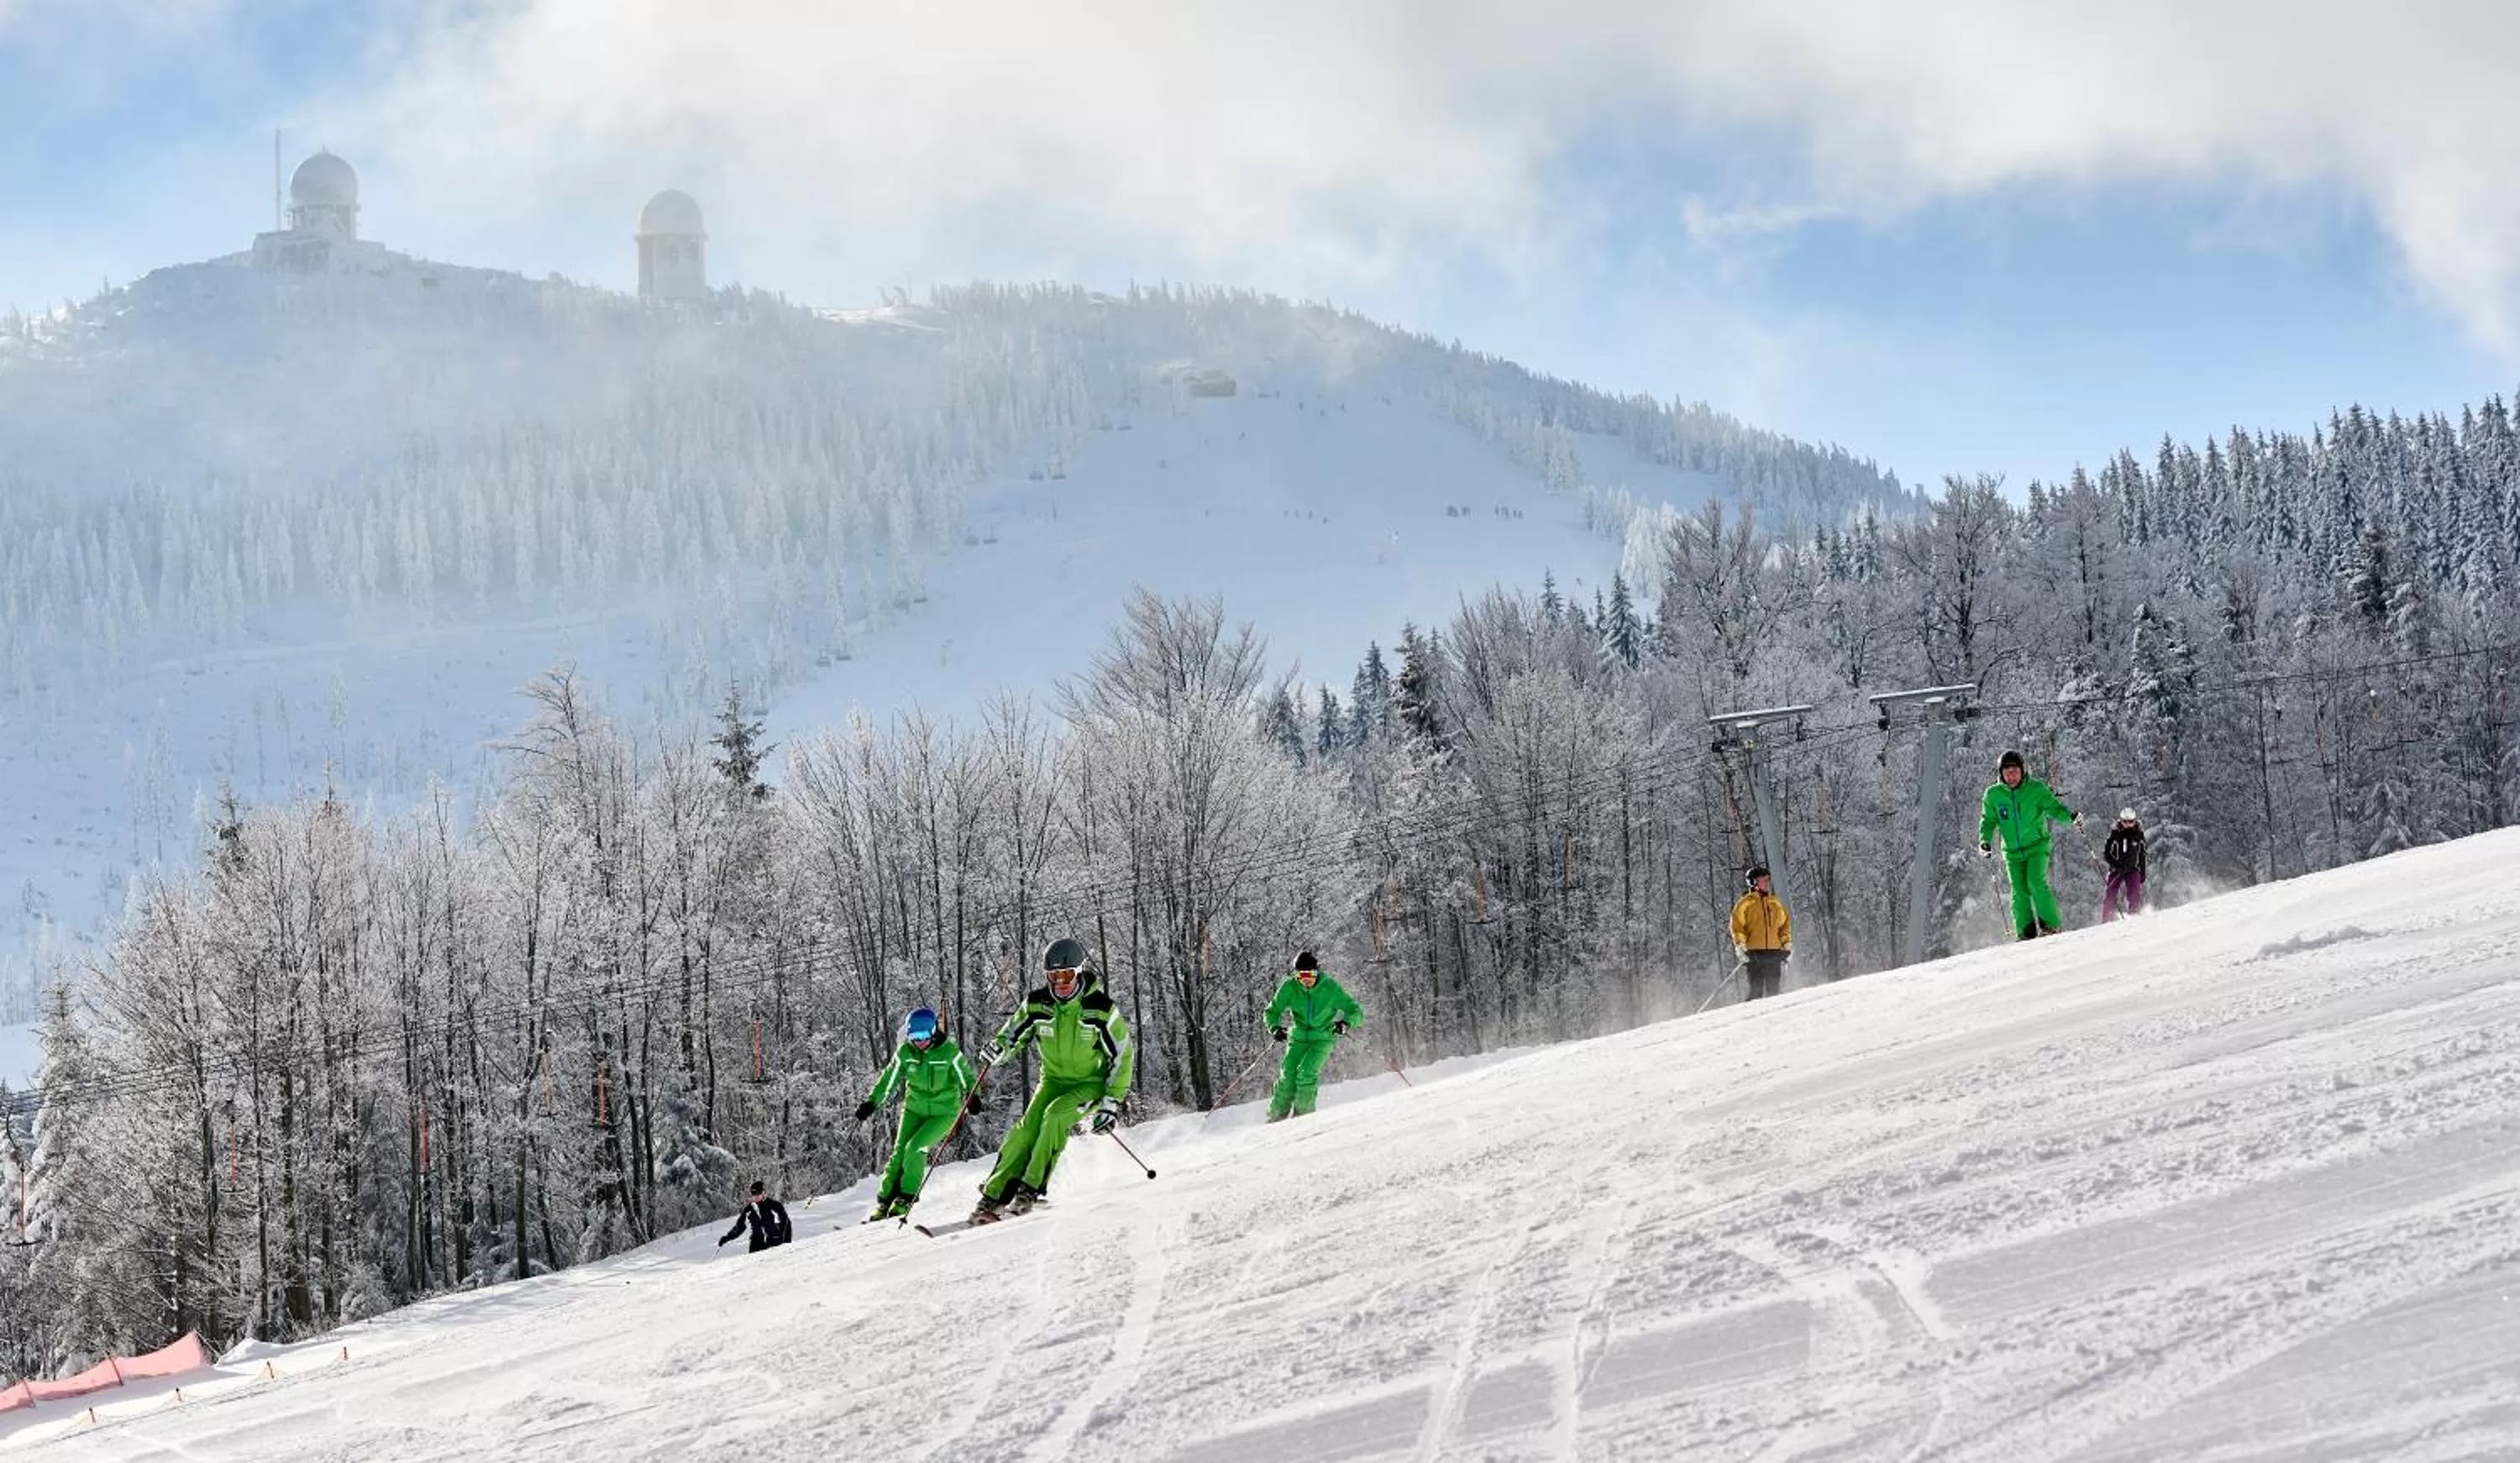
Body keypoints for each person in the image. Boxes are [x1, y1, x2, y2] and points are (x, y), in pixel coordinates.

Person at [968, 937, 1135, 1224]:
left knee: (1055, 1117)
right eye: (1054, 976)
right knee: (1025, 1131)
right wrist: (998, 1049)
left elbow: (1123, 1055)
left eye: (1066, 975)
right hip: (1053, 1081)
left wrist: (1111, 1103)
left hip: (1090, 1083)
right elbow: (1012, 1035)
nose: (1061, 983)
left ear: (1079, 972)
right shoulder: (1037, 1004)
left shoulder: (1100, 1009)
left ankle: (1029, 1190)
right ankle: (994, 1195)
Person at [855, 1005, 978, 1222]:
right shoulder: (906, 1053)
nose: (919, 1042)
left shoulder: (949, 1052)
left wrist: (973, 1097)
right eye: (914, 1037)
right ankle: (885, 1202)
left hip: (943, 1113)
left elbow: (966, 1078)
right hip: (914, 1109)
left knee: (915, 1148)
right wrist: (871, 1102)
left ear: (933, 1031)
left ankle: (905, 1198)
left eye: (923, 1036)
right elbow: (888, 1079)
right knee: (899, 1153)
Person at [1979, 749, 2079, 941]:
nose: (2012, 776)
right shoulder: (1993, 795)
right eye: (2007, 772)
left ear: (2023, 771)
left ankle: (2051, 925)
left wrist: (2070, 817)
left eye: (2015, 771)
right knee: (2019, 890)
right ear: (2001, 773)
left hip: (2037, 846)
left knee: (2035, 882)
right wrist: (1985, 840)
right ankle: (2026, 931)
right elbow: (1988, 820)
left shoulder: (2036, 789)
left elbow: (2054, 808)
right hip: (2012, 852)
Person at [1263, 952, 1365, 1122]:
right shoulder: (1290, 987)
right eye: (1301, 975)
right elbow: (1271, 1011)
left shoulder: (1330, 989)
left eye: (1310, 974)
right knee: (1288, 1076)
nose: (1306, 979)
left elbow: (1356, 1011)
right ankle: (1275, 1118)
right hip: (1298, 1038)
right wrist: (1274, 1028)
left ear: (1317, 972)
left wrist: (1346, 1023)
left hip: (1322, 1039)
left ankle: (1303, 1117)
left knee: (1306, 1073)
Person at [1729, 864, 1792, 999]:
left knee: (1774, 991)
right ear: (1754, 883)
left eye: (1768, 879)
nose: (1767, 883)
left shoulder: (1775, 903)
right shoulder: (1745, 904)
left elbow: (1784, 926)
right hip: (1755, 954)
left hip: (1774, 953)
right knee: (1756, 990)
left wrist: (1786, 943)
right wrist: (1740, 946)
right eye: (1763, 880)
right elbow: (1738, 927)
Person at [718, 1179, 792, 1252]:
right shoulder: (749, 1210)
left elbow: (786, 1222)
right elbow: (739, 1227)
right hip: (757, 1242)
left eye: (758, 1194)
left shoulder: (773, 1205)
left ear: (763, 1193)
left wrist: (786, 1240)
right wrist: (727, 1238)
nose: (756, 1197)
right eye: (753, 1194)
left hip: (773, 1239)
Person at [2102, 808, 2148, 921]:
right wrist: (2115, 864)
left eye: (2130, 821)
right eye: (2125, 821)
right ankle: (2106, 919)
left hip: (2133, 869)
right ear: (2121, 821)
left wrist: (2143, 872)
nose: (2128, 824)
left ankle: (2135, 917)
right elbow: (2107, 853)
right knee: (2110, 893)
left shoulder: (2139, 834)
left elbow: (2142, 855)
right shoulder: (2115, 833)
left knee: (2134, 895)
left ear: (2135, 821)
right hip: (2116, 869)